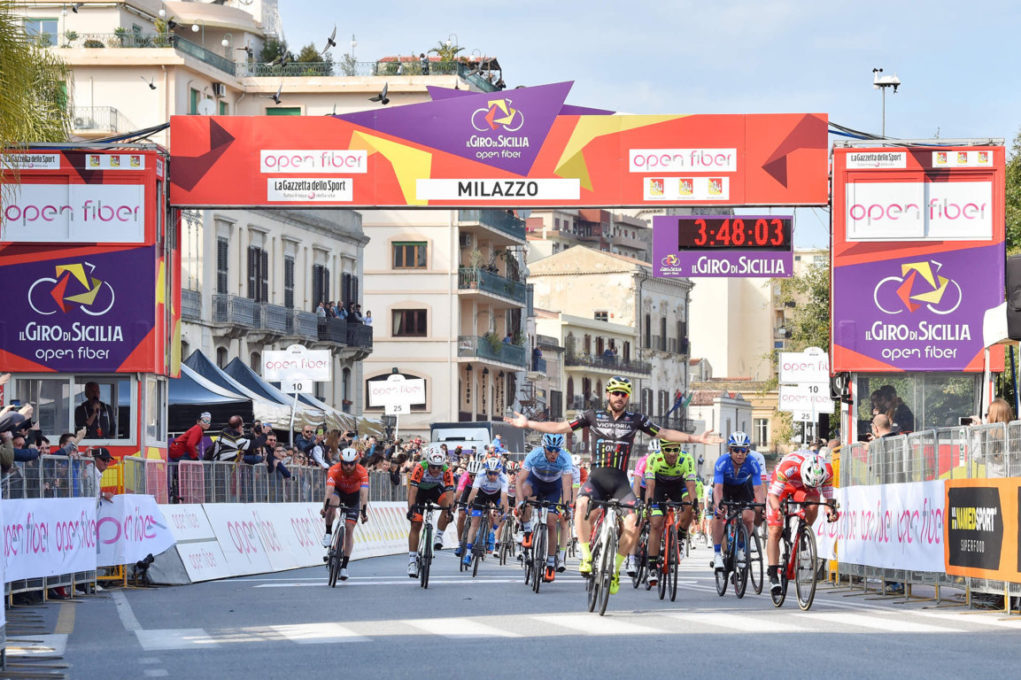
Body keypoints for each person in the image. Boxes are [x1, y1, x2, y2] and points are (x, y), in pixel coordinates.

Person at [504, 375, 722, 595]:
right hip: (597, 478)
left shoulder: (635, 419)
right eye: (616, 393)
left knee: (634, 520)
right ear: (608, 394)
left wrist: (696, 439)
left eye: (624, 394)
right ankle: (586, 555)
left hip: (619, 482)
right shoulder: (592, 416)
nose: (620, 397)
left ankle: (616, 568)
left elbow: (664, 433)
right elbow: (560, 427)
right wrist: (529, 423)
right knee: (581, 505)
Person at [766, 451, 836, 595]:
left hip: (803, 488)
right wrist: (777, 510)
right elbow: (773, 496)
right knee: (775, 530)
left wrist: (830, 512)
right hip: (784, 486)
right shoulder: (788, 467)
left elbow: (828, 500)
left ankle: (803, 531)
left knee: (813, 504)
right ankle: (773, 574)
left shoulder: (827, 470)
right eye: (810, 484)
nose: (812, 487)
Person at [517, 433, 573, 582]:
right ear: (544, 447)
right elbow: (519, 480)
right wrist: (520, 502)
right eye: (550, 450)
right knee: (526, 495)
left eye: (557, 450)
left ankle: (549, 564)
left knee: (551, 522)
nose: (553, 454)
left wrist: (568, 507)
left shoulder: (566, 458)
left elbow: (567, 486)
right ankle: (528, 531)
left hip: (553, 487)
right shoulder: (534, 455)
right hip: (534, 481)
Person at [644, 439, 697, 586]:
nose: (672, 453)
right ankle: (653, 567)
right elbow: (650, 487)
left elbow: (691, 487)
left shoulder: (687, 458)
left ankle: (679, 537)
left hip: (677, 486)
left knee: (690, 506)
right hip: (658, 487)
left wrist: (695, 504)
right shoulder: (654, 459)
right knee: (656, 524)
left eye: (675, 450)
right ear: (662, 450)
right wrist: (648, 504)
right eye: (668, 450)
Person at [710, 431, 765, 571]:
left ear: (747, 451)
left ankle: (740, 549)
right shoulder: (722, 462)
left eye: (743, 450)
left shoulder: (752, 462)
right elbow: (717, 489)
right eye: (736, 450)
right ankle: (717, 553)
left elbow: (758, 489)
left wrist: (761, 507)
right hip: (725, 488)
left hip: (742, 488)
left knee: (748, 517)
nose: (739, 454)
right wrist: (718, 505)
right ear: (730, 450)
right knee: (719, 514)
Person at [405, 446, 454, 577]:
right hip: (419, 491)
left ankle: (439, 535)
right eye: (433, 467)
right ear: (428, 463)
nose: (436, 470)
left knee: (446, 506)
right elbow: (412, 491)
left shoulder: (446, 470)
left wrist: (449, 510)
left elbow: (449, 492)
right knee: (416, 522)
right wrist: (411, 509)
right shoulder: (420, 467)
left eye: (439, 467)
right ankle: (412, 561)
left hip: (434, 489)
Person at [321, 447, 369, 581]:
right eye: (345, 463)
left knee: (349, 529)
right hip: (338, 492)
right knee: (332, 504)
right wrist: (325, 507)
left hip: (353, 496)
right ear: (341, 462)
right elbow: (329, 490)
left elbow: (364, 493)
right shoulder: (334, 469)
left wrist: (363, 511)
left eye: (351, 463)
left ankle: (344, 566)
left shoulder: (362, 471)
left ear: (356, 462)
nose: (348, 466)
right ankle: (328, 532)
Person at [462, 457, 509, 567]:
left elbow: (503, 497)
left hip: (496, 494)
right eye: (490, 473)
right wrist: (469, 505)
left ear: (499, 472)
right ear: (486, 471)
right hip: (482, 493)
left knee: (501, 513)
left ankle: (492, 532)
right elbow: (473, 492)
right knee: (474, 523)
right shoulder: (481, 474)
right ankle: (468, 554)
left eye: (495, 473)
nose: (493, 476)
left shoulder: (503, 478)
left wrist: (503, 512)